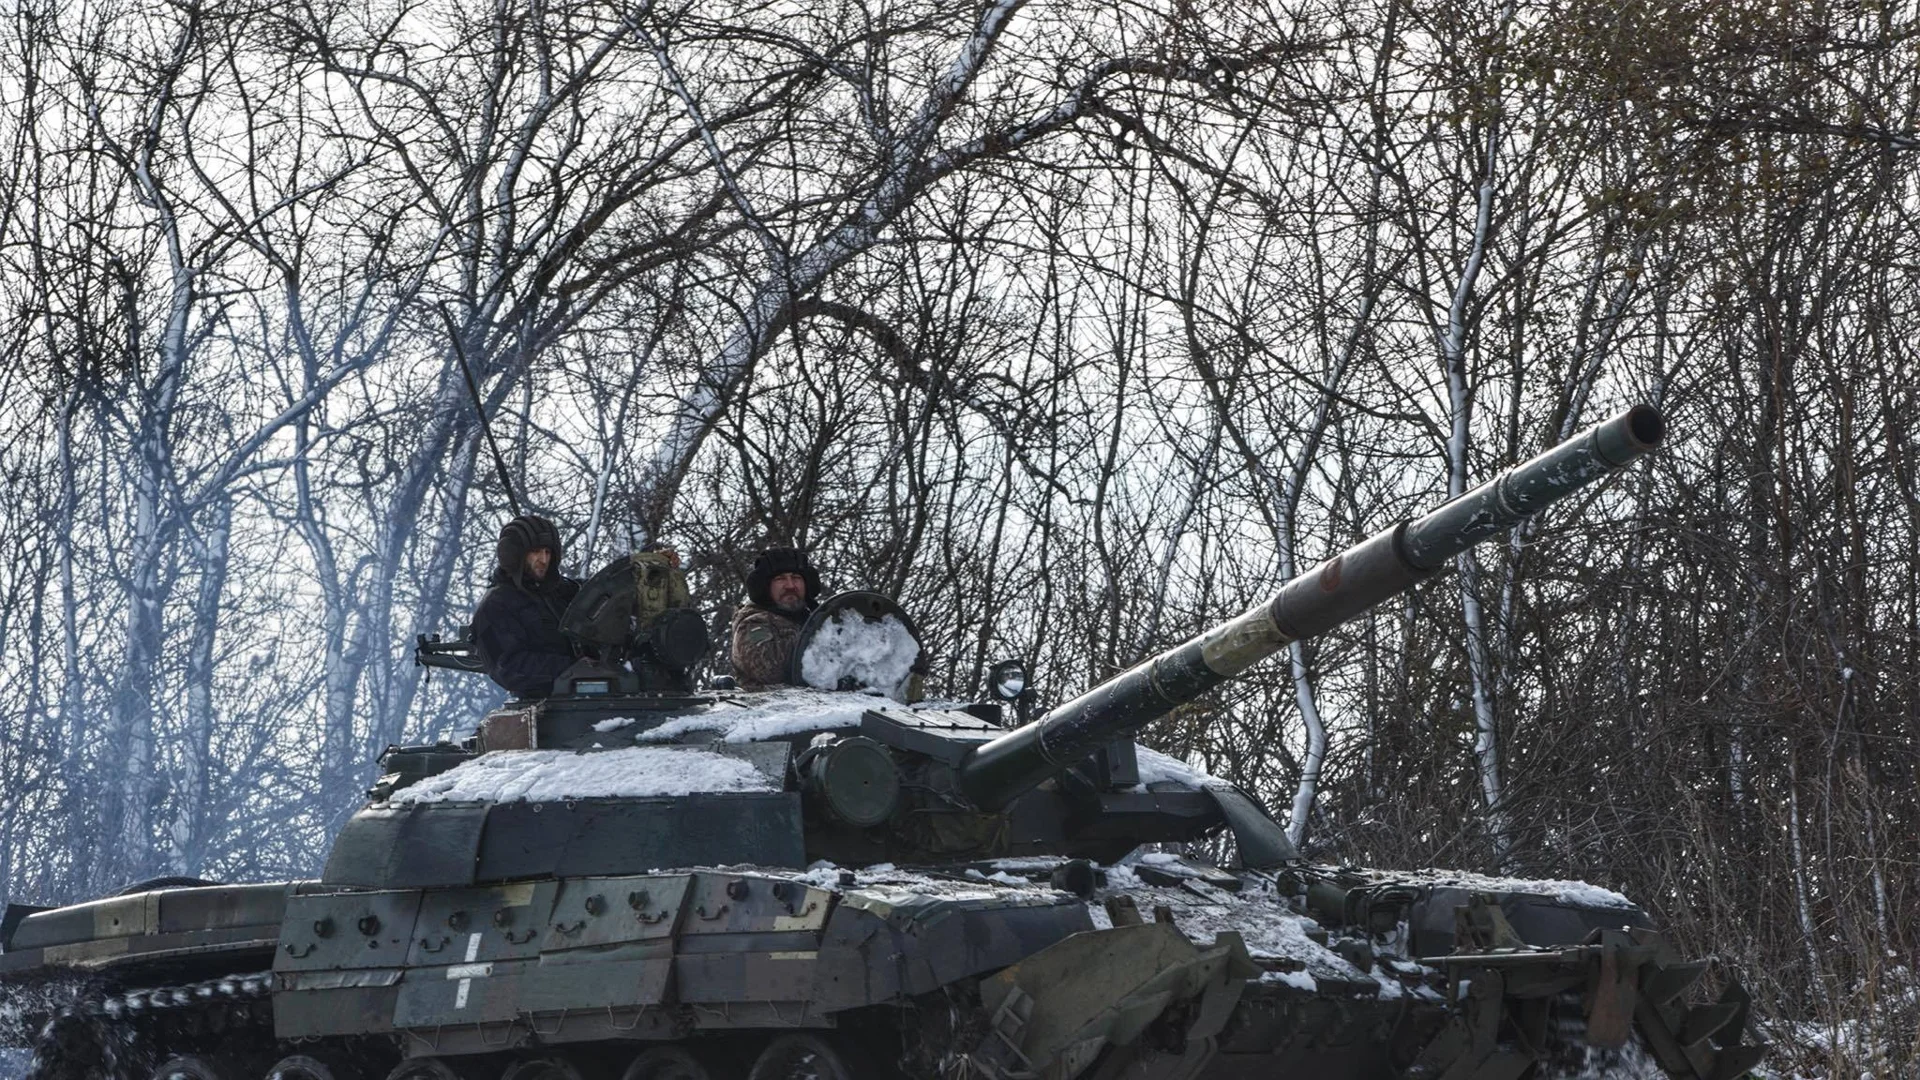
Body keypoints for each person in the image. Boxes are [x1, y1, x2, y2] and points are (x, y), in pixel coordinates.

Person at [471, 514, 583, 697]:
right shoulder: (496, 606)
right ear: (514, 555)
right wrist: (573, 667)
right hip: (547, 705)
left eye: (547, 552)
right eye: (535, 552)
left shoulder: (562, 592)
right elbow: (508, 667)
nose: (543, 560)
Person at [729, 547, 822, 689]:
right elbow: (767, 668)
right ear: (766, 587)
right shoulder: (753, 624)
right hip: (770, 707)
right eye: (780, 579)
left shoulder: (816, 620)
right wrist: (823, 640)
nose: (790, 585)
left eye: (796, 578)